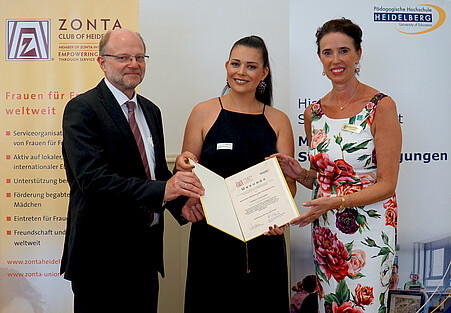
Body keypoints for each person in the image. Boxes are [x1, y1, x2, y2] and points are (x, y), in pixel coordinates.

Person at [60, 28, 204, 313]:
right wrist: (165, 190)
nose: (133, 64)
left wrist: (179, 205)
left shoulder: (151, 111)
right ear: (102, 62)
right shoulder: (82, 109)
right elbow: (93, 180)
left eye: (139, 57)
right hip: (100, 259)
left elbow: (155, 171)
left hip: (145, 256)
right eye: (123, 57)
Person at [273, 18, 402, 313]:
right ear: (320, 58)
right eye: (327, 52)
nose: (335, 60)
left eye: (343, 51)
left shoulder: (381, 106)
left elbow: (387, 184)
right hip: (327, 232)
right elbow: (324, 180)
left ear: (358, 54)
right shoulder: (313, 113)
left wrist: (336, 202)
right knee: (333, 306)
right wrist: (300, 174)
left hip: (370, 233)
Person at [175, 35, 295, 312]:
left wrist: (279, 216)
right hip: (211, 238)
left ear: (264, 73)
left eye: (251, 66)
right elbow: (186, 167)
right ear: (226, 66)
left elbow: (288, 184)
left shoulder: (278, 120)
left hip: (264, 240)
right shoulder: (203, 112)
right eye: (236, 64)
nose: (241, 72)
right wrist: (182, 163)